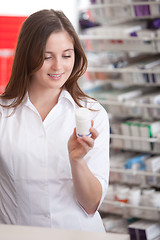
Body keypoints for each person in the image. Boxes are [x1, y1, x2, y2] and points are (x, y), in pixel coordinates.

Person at [0, 9, 110, 232]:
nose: (58, 66)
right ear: (28, 56)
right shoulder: (3, 114)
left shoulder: (92, 113)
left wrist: (77, 161)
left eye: (66, 55)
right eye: (47, 56)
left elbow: (91, 205)